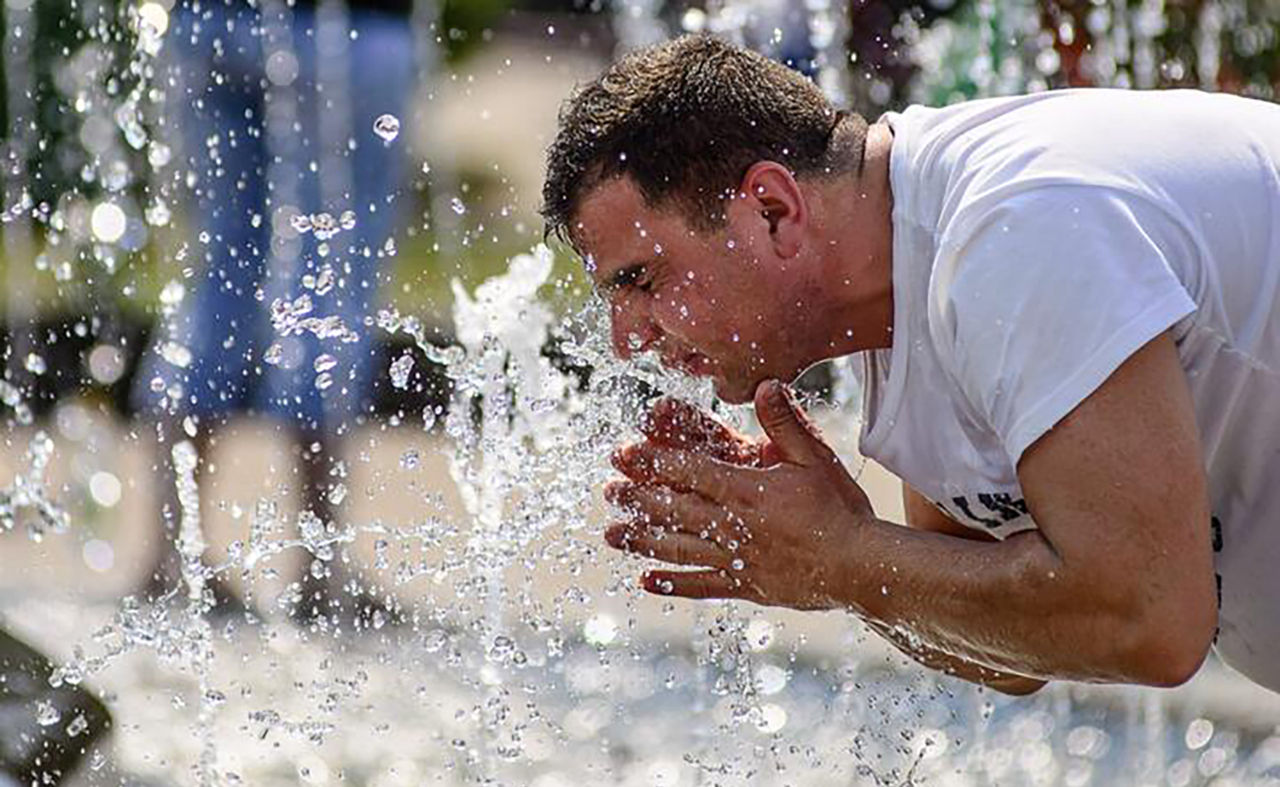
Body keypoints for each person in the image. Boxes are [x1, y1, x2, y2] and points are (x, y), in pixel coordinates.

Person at [540, 35, 1280, 695]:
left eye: (641, 280)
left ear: (771, 209)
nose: (626, 340)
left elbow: (1150, 618)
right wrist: (835, 554)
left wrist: (844, 558)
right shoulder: (901, 294)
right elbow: (1021, 652)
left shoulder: (1010, 233)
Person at [133, 0, 415, 624]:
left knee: (217, 272)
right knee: (332, 276)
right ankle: (318, 567)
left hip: (209, 23)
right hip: (347, 29)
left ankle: (170, 553)